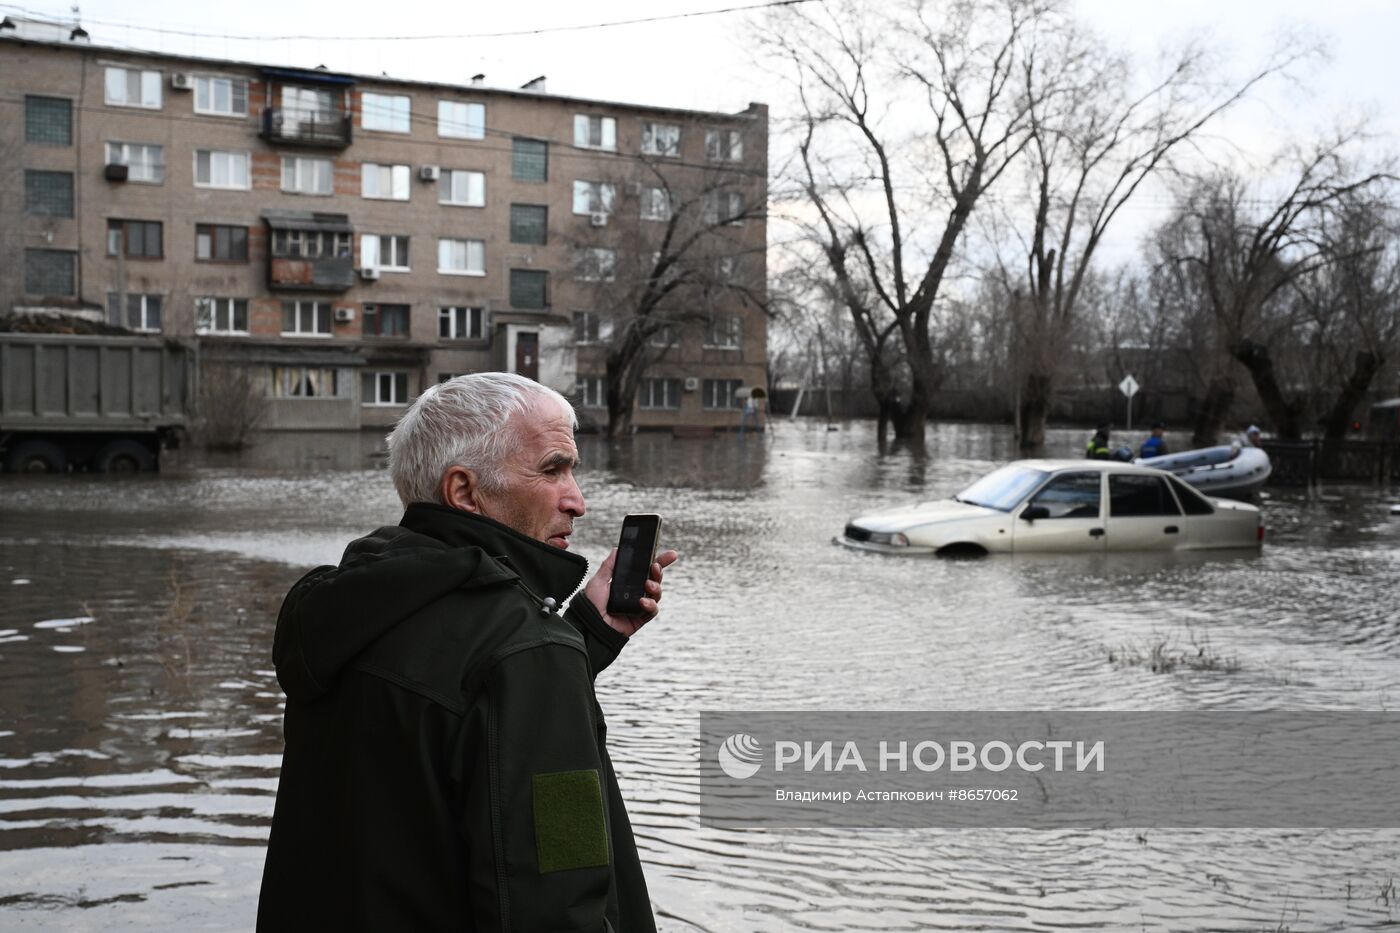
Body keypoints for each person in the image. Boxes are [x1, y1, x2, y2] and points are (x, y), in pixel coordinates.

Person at [258, 372, 676, 932]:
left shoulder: (348, 612)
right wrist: (549, 656)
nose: (578, 500)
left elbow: (445, 723)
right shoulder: (527, 654)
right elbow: (558, 892)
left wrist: (585, 637)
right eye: (553, 470)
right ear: (465, 492)